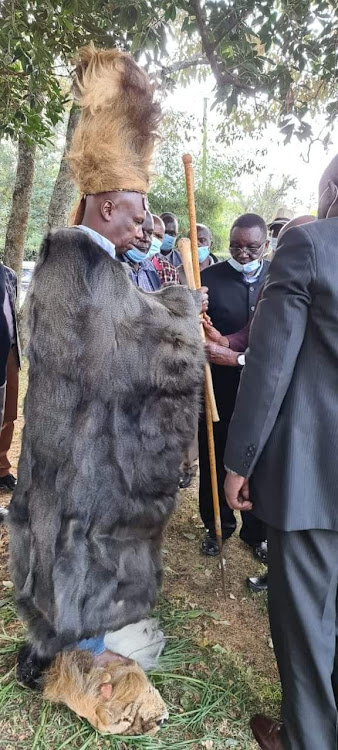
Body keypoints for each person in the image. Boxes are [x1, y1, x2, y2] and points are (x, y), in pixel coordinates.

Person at [9, 45, 205, 734]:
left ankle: (68, 649)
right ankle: (78, 660)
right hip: (82, 457)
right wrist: (182, 313)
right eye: (139, 210)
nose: (146, 222)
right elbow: (128, 356)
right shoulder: (81, 267)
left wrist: (168, 311)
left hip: (73, 449)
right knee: (79, 556)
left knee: (68, 552)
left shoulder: (87, 265)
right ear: (110, 205)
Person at [224, 155, 338, 750]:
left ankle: (308, 739)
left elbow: (268, 369)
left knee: (307, 625)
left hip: (316, 477)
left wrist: (238, 461)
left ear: (331, 190)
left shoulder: (309, 245)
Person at [199, 213, 270, 559]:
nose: (242, 253)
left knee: (257, 458)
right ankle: (217, 526)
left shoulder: (278, 278)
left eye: (251, 247)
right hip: (218, 388)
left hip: (263, 389)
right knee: (214, 452)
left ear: (266, 245)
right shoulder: (208, 279)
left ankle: (256, 531)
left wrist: (234, 351)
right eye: (236, 246)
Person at [0, 263, 21, 492]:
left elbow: (12, 314)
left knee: (9, 412)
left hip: (10, 351)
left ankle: (2, 469)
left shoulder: (10, 275)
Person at [119, 209, 162, 291]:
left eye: (149, 233)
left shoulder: (150, 267)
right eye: (140, 230)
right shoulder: (112, 266)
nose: (146, 239)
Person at [149, 214, 180, 285]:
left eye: (172, 233)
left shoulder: (172, 268)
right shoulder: (133, 259)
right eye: (165, 232)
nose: (167, 236)